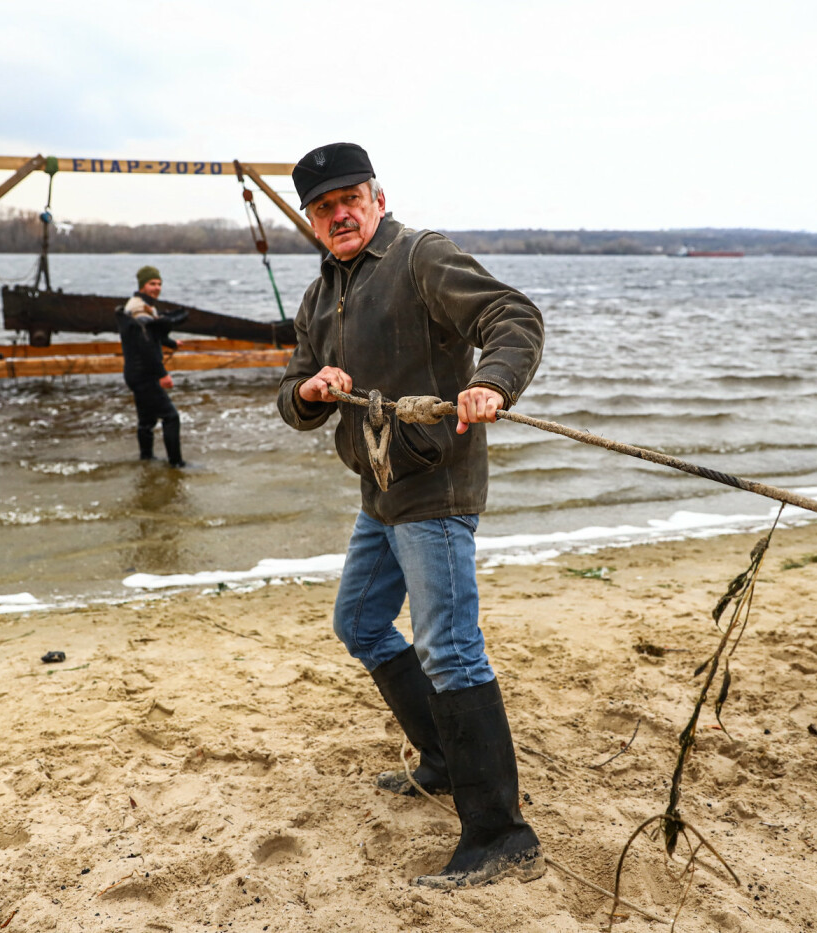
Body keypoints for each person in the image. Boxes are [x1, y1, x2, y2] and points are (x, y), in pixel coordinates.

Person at [277, 143, 546, 888]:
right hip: (379, 492)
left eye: (350, 199)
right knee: (359, 623)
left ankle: (500, 833)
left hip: (436, 487)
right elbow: (292, 388)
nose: (340, 214)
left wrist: (493, 381)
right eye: (324, 207)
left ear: (378, 196)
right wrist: (310, 392)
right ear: (311, 219)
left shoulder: (421, 256)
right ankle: (440, 759)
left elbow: (512, 315)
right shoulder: (320, 293)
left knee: (452, 649)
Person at [116, 265, 188, 467]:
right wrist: (162, 374)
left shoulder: (143, 305)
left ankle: (146, 461)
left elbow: (151, 334)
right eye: (152, 284)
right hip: (144, 374)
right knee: (171, 416)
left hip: (135, 372)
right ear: (142, 285)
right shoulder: (139, 310)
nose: (156, 288)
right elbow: (146, 346)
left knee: (147, 422)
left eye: (159, 284)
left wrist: (171, 343)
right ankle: (177, 465)